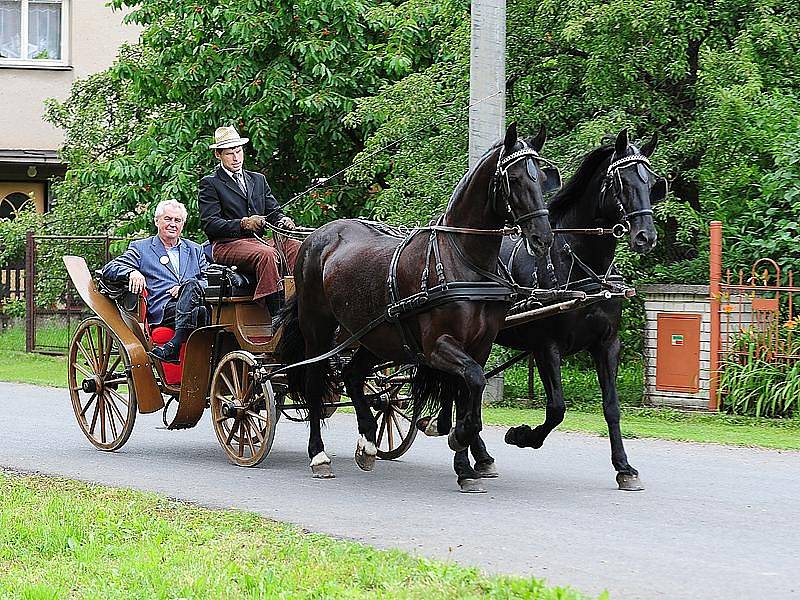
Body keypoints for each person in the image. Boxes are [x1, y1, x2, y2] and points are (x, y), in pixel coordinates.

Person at [198, 125, 301, 317]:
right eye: (230, 153)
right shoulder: (210, 183)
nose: (236, 158)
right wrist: (243, 224)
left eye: (238, 151)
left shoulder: (258, 179)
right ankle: (277, 317)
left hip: (258, 242)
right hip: (227, 245)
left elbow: (273, 212)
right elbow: (210, 225)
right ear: (218, 155)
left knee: (295, 247)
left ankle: (298, 305)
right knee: (267, 254)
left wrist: (283, 220)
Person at [102, 199, 208, 363]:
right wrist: (131, 271)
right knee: (201, 311)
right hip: (164, 310)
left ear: (182, 225)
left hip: (196, 305)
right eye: (168, 219)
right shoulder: (141, 248)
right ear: (157, 221)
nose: (173, 224)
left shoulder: (195, 249)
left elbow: (208, 280)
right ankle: (176, 345)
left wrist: (185, 289)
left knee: (198, 299)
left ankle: (174, 345)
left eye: (177, 220)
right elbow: (110, 268)